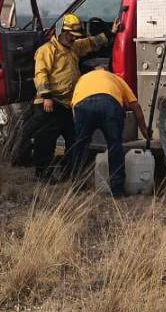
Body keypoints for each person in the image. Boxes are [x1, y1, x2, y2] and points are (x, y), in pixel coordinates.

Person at [24, 13, 114, 181]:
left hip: (67, 104)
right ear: (61, 32)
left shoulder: (73, 47)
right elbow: (41, 74)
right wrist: (47, 96)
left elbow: (90, 43)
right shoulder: (47, 51)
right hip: (50, 103)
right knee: (46, 140)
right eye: (70, 35)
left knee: (74, 139)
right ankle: (43, 175)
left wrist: (110, 33)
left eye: (75, 36)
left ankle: (69, 172)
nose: (73, 39)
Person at [66, 67, 151, 196]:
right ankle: (117, 190)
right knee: (114, 146)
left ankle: (77, 187)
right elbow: (136, 107)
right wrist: (145, 132)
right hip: (110, 104)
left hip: (84, 105)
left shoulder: (82, 79)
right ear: (105, 70)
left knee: (80, 146)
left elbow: (74, 105)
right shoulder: (115, 78)